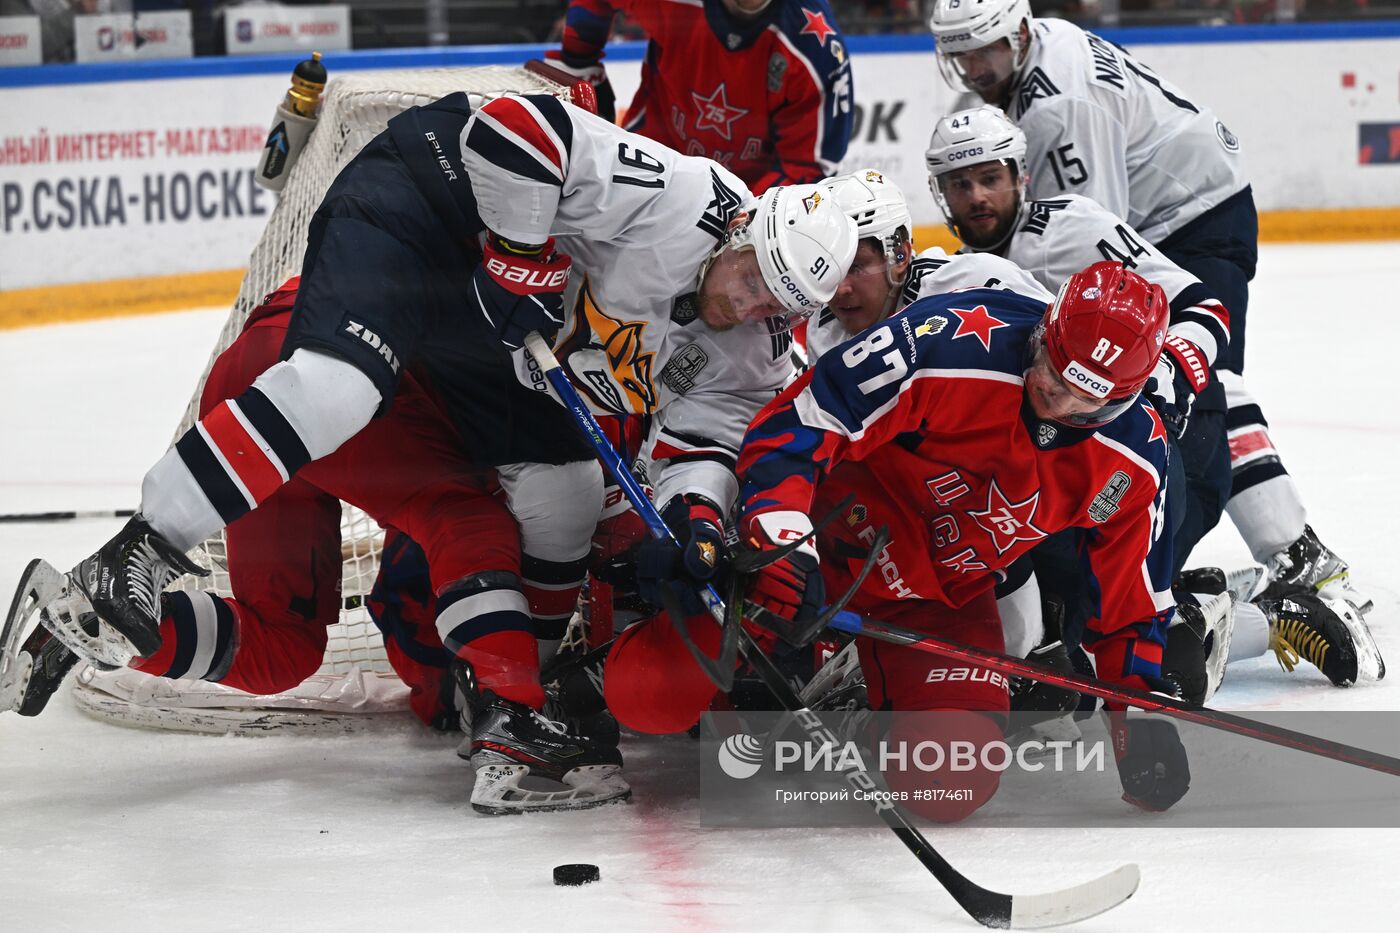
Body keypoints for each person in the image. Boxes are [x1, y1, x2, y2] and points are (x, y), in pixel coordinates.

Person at [13, 93, 857, 808]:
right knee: (381, 426)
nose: (747, 306)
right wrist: (521, 257)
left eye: (774, 305)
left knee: (547, 495)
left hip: (434, 350)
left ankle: (104, 621)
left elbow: (699, 445)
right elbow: (512, 128)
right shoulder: (682, 196)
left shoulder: (753, 347)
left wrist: (699, 520)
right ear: (742, 226)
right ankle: (137, 555)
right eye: (751, 276)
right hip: (423, 213)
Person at [921, 106, 1383, 690]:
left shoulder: (1072, 227)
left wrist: (1157, 392)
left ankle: (1271, 617)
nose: (977, 196)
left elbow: (1205, 309)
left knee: (1114, 629)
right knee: (1056, 605)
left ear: (1020, 175)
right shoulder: (962, 272)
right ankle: (1206, 595)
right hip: (1082, 450)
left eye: (990, 178)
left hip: (1167, 445)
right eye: (960, 184)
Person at [926, 0, 1359, 610]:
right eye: (961, 55)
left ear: (1018, 33)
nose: (974, 67)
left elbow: (1093, 253)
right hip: (1182, 205)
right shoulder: (1044, 46)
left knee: (1208, 375)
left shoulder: (1057, 109)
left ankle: (1294, 550)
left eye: (985, 51)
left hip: (1191, 218)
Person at [550, 0, 854, 191]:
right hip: (649, 163)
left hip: (747, 199)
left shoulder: (816, 50)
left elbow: (808, 170)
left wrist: (742, 217)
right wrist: (581, 61)